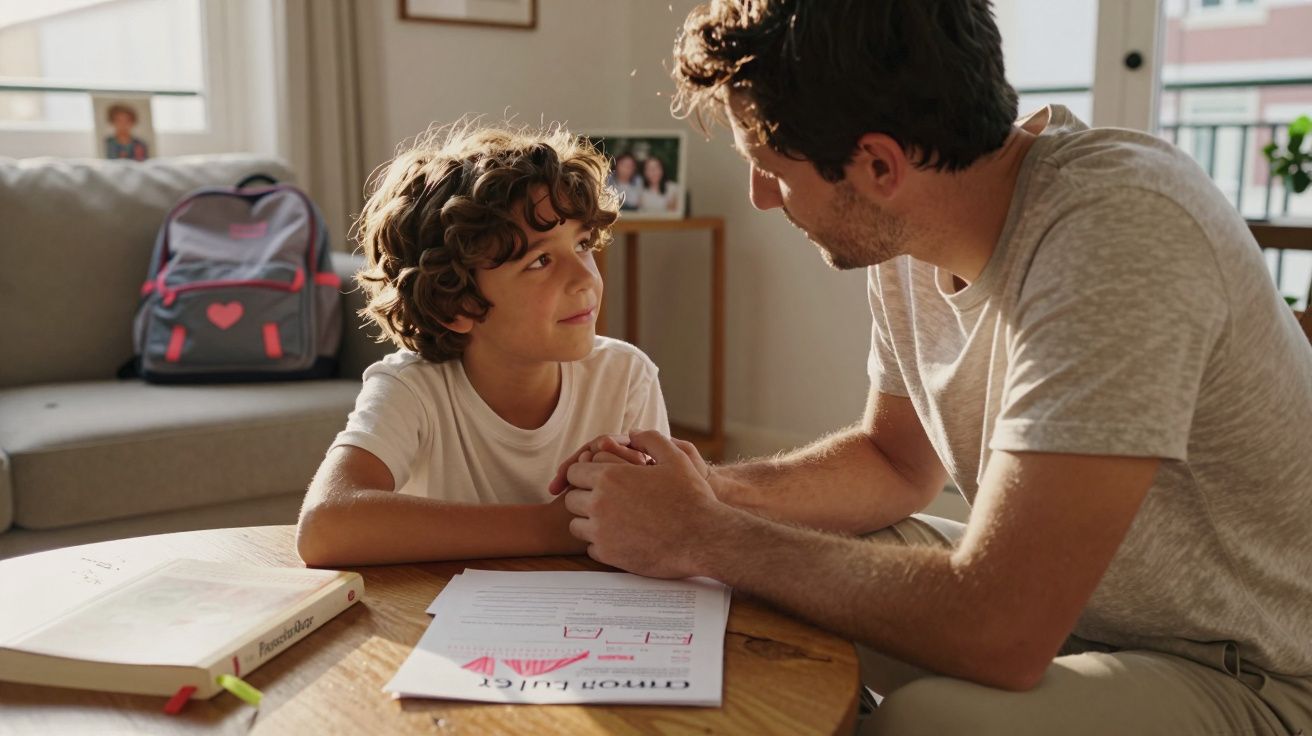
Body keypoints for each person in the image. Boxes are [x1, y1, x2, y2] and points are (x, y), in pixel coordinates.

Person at [550, 1, 1312, 734]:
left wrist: (706, 532)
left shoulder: (1121, 232)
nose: (760, 198)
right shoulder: (909, 227)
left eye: (771, 169)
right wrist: (702, 492)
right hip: (1077, 616)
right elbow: (892, 462)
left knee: (933, 724)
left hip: (1250, 672)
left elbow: (1001, 628)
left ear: (878, 164)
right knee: (735, 588)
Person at [296, 123, 669, 567]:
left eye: (583, 243)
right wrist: (553, 526)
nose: (586, 277)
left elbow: (660, 523)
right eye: (541, 261)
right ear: (456, 303)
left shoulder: (625, 376)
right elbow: (325, 526)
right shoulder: (412, 388)